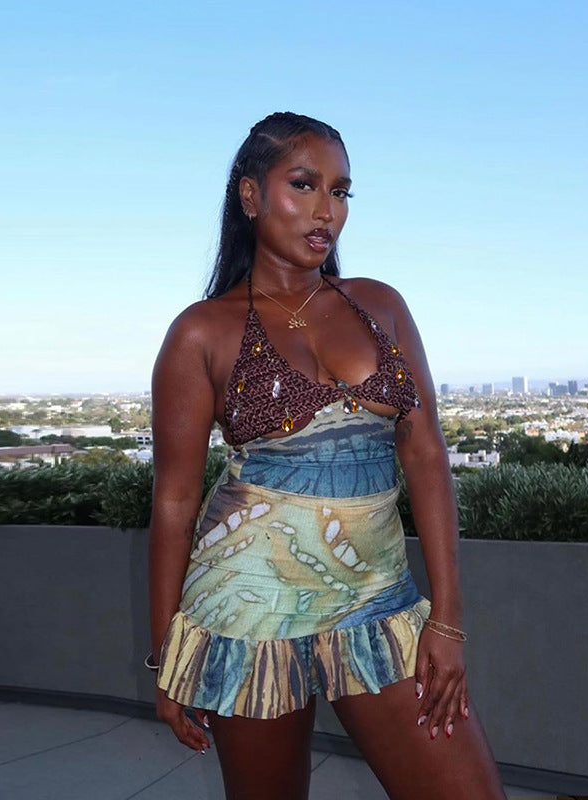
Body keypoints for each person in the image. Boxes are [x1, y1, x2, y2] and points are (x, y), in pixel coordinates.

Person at [147, 111, 506, 800]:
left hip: (379, 604)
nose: (326, 211)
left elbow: (426, 456)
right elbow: (174, 501)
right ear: (251, 196)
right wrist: (170, 653)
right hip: (247, 612)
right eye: (304, 185)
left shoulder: (380, 305)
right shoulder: (203, 331)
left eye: (340, 192)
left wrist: (447, 618)